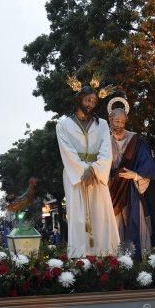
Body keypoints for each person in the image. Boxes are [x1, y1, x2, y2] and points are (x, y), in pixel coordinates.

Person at [56, 84, 120, 257]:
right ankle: (79, 259)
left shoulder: (103, 125)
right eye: (87, 100)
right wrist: (83, 171)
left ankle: (107, 256)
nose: (90, 104)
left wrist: (94, 170)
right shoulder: (63, 125)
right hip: (75, 176)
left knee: (101, 215)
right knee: (77, 217)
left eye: (93, 101)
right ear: (79, 100)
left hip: (97, 176)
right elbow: (67, 151)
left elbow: (107, 150)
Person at [106, 99, 155, 256]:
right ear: (110, 120)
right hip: (112, 190)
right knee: (115, 225)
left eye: (123, 122)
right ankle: (116, 260)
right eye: (116, 121)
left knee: (134, 221)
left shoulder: (135, 140)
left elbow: (147, 162)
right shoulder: (104, 141)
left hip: (132, 189)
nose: (119, 125)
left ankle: (137, 260)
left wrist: (136, 175)